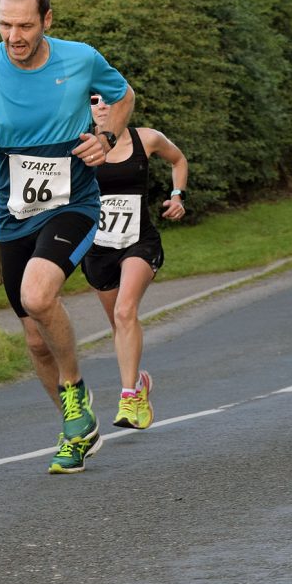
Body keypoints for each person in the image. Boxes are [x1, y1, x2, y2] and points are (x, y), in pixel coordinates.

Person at [0, 0, 135, 474]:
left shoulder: (79, 58)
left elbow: (123, 96)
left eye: (24, 25)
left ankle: (76, 392)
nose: (14, 37)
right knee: (35, 339)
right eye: (4, 25)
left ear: (47, 21)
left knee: (40, 296)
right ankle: (75, 427)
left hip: (74, 202)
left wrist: (106, 136)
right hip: (14, 213)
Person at [81, 94, 188, 431]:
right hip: (98, 251)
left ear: (122, 103)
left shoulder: (147, 138)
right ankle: (139, 381)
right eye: (93, 100)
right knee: (119, 325)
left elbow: (179, 160)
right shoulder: (78, 146)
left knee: (126, 312)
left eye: (108, 99)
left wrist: (177, 196)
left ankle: (129, 397)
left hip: (139, 242)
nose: (101, 106)